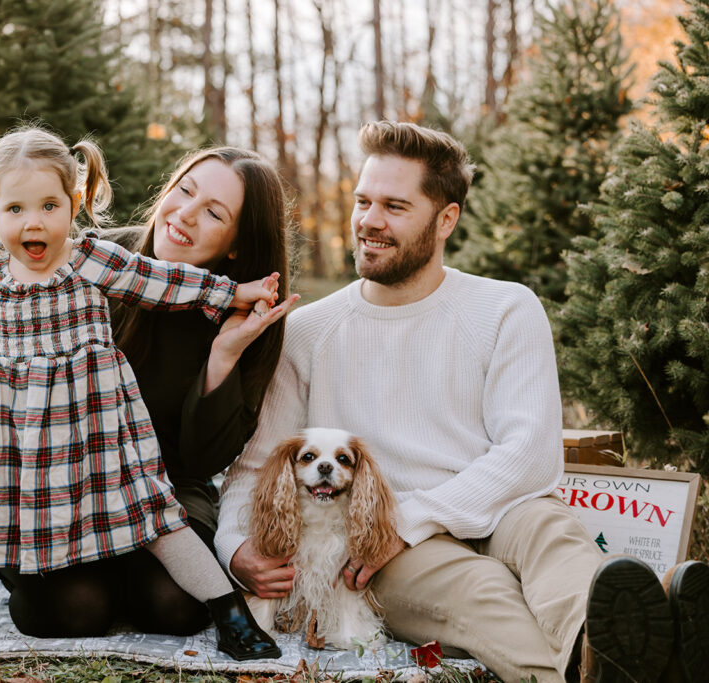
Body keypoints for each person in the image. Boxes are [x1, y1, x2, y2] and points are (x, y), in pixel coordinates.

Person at [214, 120, 709, 682]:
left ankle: (613, 653)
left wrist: (418, 518)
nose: (369, 222)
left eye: (395, 206)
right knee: (482, 590)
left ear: (445, 218)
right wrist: (235, 549)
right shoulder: (309, 332)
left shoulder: (505, 309)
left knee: (555, 539)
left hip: (500, 511)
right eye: (363, 202)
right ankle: (633, 664)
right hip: (380, 540)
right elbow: (256, 466)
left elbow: (528, 454)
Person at [0, 128, 292, 662]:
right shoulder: (31, 258)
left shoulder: (102, 261)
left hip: (123, 451)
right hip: (32, 447)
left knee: (169, 588)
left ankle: (228, 615)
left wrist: (228, 332)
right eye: (185, 191)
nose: (185, 215)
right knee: (35, 572)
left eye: (213, 212)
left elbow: (162, 286)